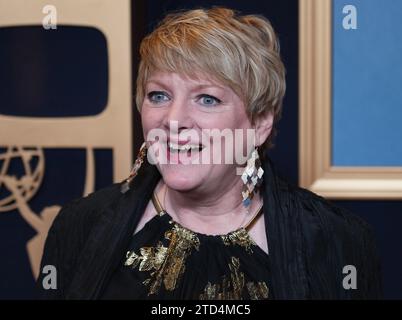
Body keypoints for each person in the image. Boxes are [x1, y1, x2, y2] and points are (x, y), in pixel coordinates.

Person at [37, 7, 382, 299]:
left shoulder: (339, 243)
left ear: (259, 123)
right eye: (159, 95)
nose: (173, 120)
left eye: (207, 99)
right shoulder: (79, 227)